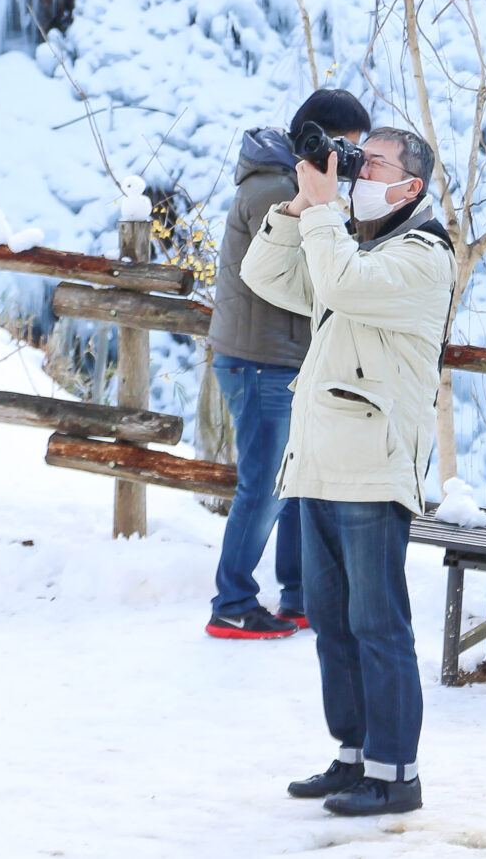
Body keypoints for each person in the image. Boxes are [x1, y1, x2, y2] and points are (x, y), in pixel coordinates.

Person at [242, 125, 456, 818]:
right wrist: (303, 207)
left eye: (375, 164)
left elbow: (339, 280)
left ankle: (397, 773)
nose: (359, 172)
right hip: (324, 460)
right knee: (333, 621)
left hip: (372, 464)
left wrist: (328, 209)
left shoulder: (421, 256)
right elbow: (265, 275)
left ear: (411, 187)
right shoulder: (353, 244)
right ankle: (354, 754)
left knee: (377, 621)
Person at [205, 87, 371, 641]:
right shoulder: (278, 190)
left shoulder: (297, 184)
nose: (350, 163)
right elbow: (313, 277)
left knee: (297, 481)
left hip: (282, 357)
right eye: (345, 150)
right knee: (266, 485)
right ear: (316, 140)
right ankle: (232, 602)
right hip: (260, 359)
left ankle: (300, 597)